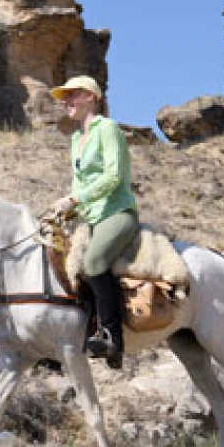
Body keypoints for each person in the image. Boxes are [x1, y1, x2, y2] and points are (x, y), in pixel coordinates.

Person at [49, 75, 138, 370]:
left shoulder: (107, 128)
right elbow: (79, 184)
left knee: (94, 261)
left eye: (72, 95)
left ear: (90, 96)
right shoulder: (76, 138)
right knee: (56, 258)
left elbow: (114, 177)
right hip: (89, 216)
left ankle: (113, 338)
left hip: (117, 213)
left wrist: (75, 200)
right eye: (64, 97)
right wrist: (68, 209)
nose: (66, 102)